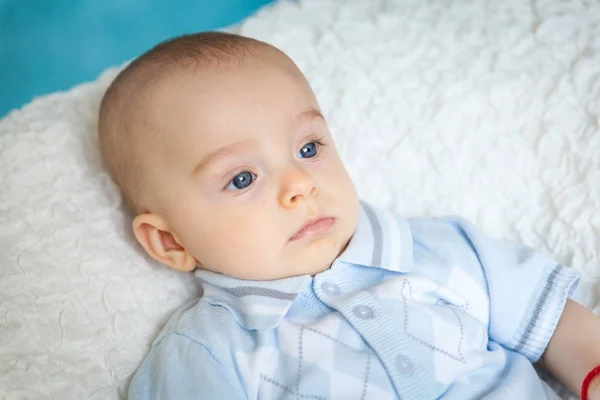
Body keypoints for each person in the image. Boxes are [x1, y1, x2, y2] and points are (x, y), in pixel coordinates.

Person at [98, 32, 600, 399]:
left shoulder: (435, 249)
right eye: (243, 179)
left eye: (309, 147)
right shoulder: (209, 350)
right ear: (171, 243)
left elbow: (556, 322)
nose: (300, 184)